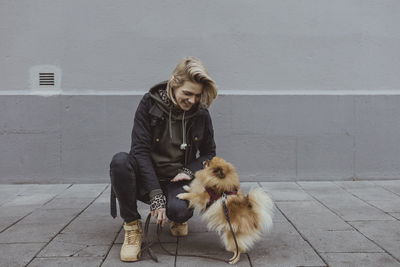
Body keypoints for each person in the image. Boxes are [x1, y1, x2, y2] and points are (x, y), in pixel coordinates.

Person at [109, 56, 218, 262]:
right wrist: (155, 194)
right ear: (173, 82)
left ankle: (175, 216)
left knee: (179, 212)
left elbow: (208, 153)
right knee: (120, 162)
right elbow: (139, 151)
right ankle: (132, 227)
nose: (192, 100)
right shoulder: (149, 104)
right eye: (187, 93)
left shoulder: (201, 113)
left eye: (197, 95)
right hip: (146, 177)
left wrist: (188, 171)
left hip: (177, 179)